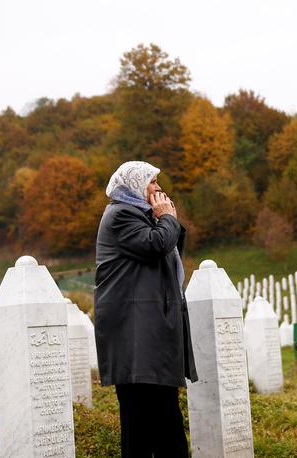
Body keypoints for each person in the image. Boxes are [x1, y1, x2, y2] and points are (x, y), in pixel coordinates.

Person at [94, 161, 197, 457]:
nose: (158, 188)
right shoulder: (121, 214)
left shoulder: (142, 216)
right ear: (134, 185)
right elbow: (156, 245)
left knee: (166, 418)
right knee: (141, 423)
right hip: (134, 337)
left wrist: (166, 220)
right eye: (152, 182)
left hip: (148, 335)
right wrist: (166, 219)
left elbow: (167, 252)